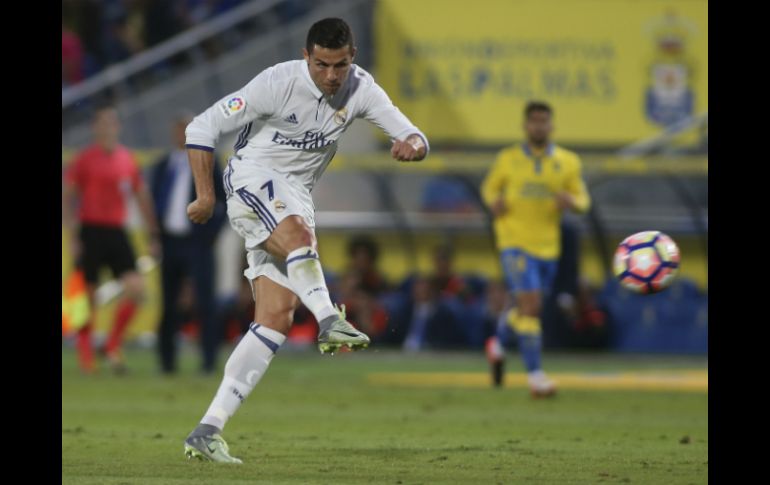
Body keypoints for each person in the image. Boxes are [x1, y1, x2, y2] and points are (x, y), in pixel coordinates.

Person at [181, 18, 428, 463]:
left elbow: (413, 133)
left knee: (275, 318)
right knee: (299, 235)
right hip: (252, 178)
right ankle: (330, 318)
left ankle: (207, 428)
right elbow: (201, 127)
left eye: (340, 65)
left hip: (296, 196)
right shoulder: (276, 83)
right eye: (321, 65)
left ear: (352, 58)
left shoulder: (362, 89)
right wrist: (205, 195)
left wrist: (413, 145)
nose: (331, 76)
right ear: (305, 57)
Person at [480, 101, 591, 398]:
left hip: (548, 248)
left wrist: (573, 202)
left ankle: (498, 344)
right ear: (525, 125)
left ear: (551, 125)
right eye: (534, 121)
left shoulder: (568, 162)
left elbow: (584, 200)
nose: (539, 126)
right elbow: (489, 187)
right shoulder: (508, 159)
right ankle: (536, 377)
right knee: (532, 308)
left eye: (544, 121)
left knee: (525, 309)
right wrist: (493, 201)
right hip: (514, 243)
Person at [62, 106, 161, 374]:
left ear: (118, 127)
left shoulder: (127, 159)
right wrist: (72, 235)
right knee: (87, 296)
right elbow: (68, 196)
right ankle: (86, 355)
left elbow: (141, 197)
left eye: (112, 123)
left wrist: (152, 233)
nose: (107, 127)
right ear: (95, 127)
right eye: (103, 122)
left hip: (116, 231)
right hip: (90, 230)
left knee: (137, 289)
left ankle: (111, 343)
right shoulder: (85, 159)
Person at [149, 111, 228, 375]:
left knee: (205, 303)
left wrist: (210, 235)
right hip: (170, 242)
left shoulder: (207, 162)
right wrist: (155, 236)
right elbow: (154, 203)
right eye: (179, 129)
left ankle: (208, 361)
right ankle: (167, 362)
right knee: (168, 303)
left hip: (198, 242)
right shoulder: (163, 165)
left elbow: (224, 201)